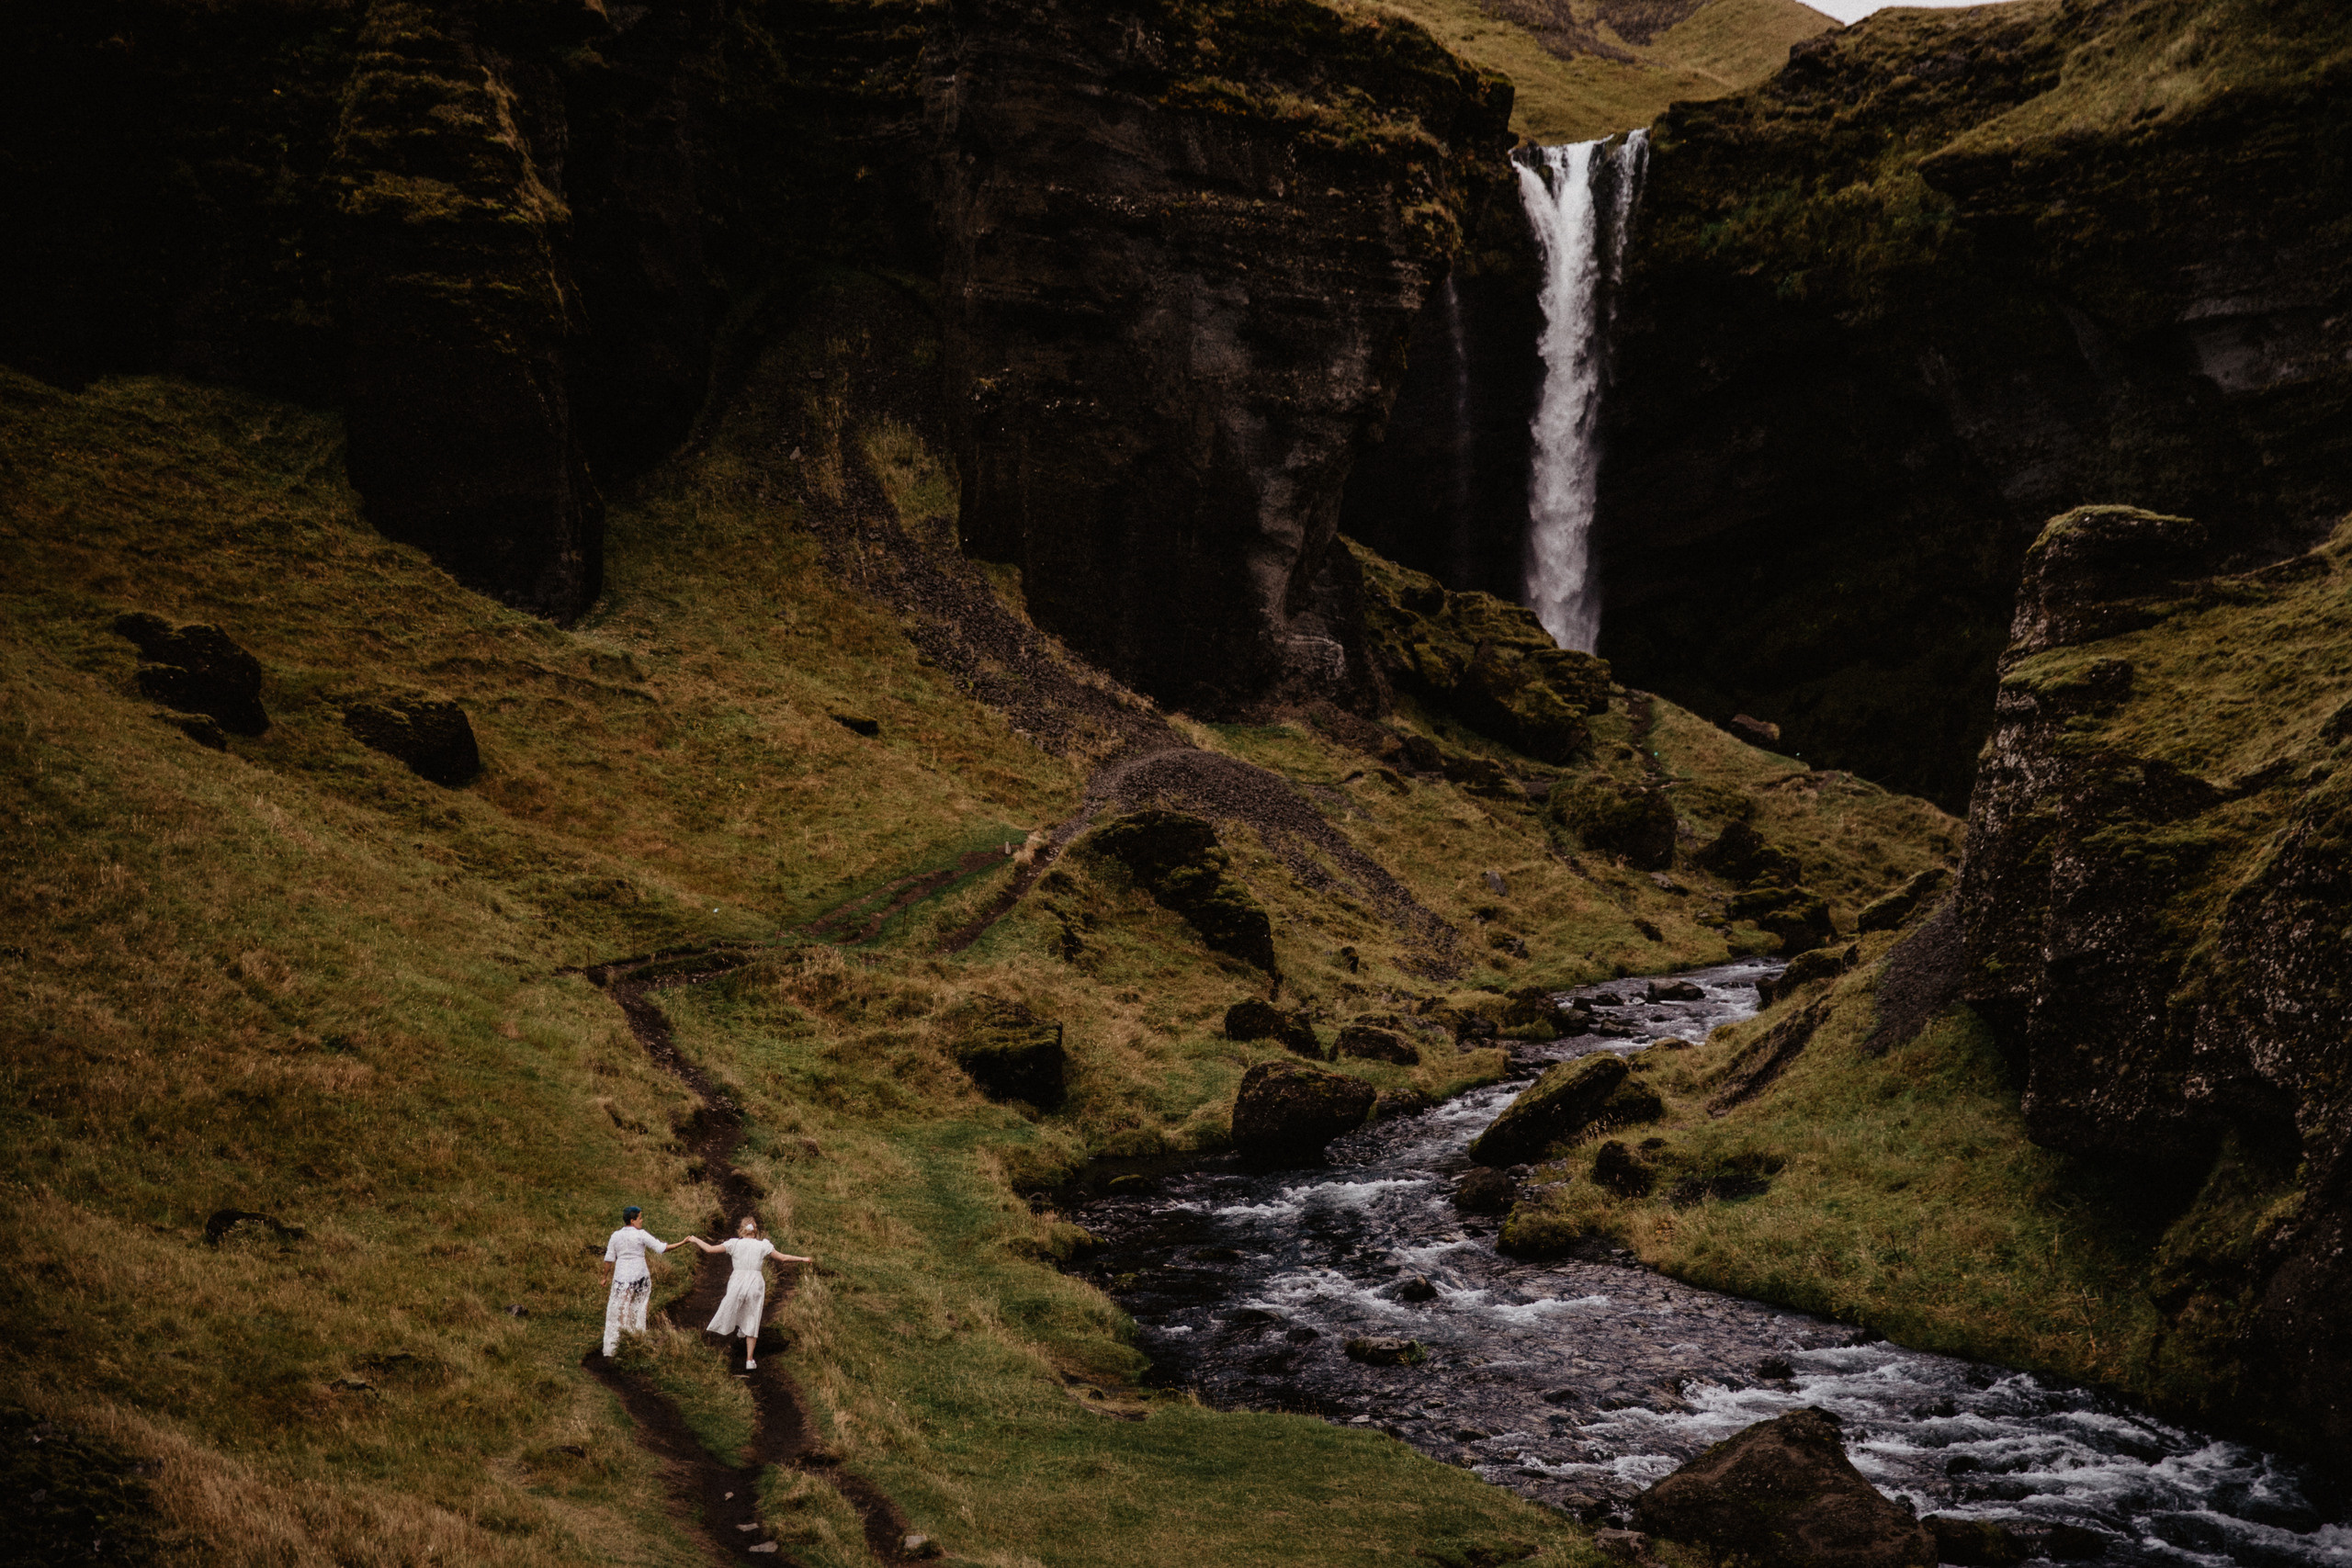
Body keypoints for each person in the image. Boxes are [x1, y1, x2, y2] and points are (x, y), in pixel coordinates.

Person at [680, 1216, 812, 1371]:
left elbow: (710, 1249)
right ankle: (749, 1359)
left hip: (738, 1280)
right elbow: (782, 1258)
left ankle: (716, 1336)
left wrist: (695, 1239)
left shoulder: (734, 1243)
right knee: (753, 1316)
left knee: (730, 1305)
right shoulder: (763, 1245)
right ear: (756, 1231)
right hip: (756, 1282)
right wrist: (803, 1259)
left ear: (741, 1230)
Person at [598, 1204, 673, 1358]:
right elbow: (661, 1248)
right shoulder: (641, 1235)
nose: (642, 1220)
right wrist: (684, 1242)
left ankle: (621, 1338)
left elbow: (609, 1258)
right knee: (639, 1305)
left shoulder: (615, 1236)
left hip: (621, 1277)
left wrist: (604, 1277)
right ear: (632, 1220)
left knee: (621, 1306)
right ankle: (636, 1336)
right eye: (639, 1218)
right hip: (639, 1276)